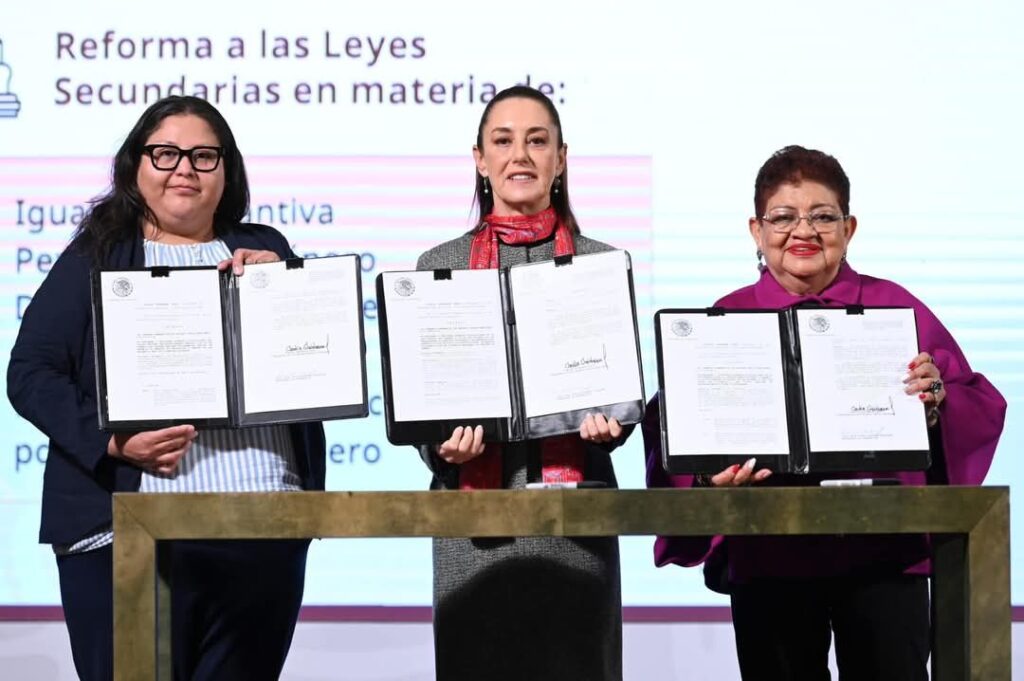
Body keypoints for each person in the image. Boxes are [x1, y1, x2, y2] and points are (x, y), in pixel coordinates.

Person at [644, 145, 1006, 681]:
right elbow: (674, 424)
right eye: (784, 217)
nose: (803, 231)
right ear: (756, 230)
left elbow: (974, 400)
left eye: (822, 216)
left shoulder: (893, 308)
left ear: (849, 226)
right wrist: (705, 474)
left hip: (884, 552)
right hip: (769, 553)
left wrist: (936, 404)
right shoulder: (726, 318)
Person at [7, 95, 326, 681]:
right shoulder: (96, 256)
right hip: (128, 535)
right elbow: (30, 372)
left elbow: (318, 363)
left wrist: (281, 290)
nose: (185, 168)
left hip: (261, 531)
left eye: (204, 156)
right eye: (166, 153)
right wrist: (112, 443)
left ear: (227, 171)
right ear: (135, 166)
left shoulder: (267, 250)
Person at [415, 85, 631, 681]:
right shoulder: (439, 264)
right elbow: (424, 396)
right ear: (479, 160)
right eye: (503, 141)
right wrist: (438, 442)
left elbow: (620, 399)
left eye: (538, 141)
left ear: (561, 158)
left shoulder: (601, 263)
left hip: (577, 521)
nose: (521, 156)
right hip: (472, 529)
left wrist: (612, 425)